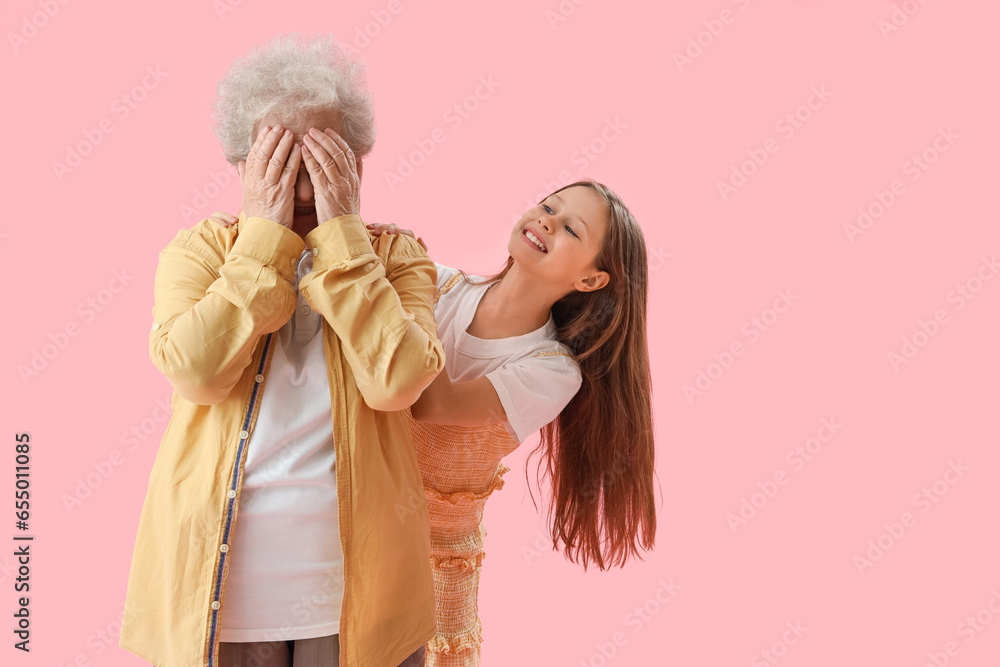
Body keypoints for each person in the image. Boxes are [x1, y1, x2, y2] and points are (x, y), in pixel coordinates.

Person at [213, 178, 657, 666]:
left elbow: (425, 399)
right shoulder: (437, 282)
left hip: (431, 564)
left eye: (571, 228)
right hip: (347, 528)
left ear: (592, 280)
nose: (547, 219)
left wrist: (390, 280)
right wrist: (377, 255)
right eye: (549, 205)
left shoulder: (551, 368)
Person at [119, 34, 443, 667]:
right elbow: (196, 370)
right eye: (278, 158)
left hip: (363, 599)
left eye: (323, 157)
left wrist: (344, 243)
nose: (301, 182)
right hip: (223, 597)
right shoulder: (201, 252)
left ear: (355, 165)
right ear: (242, 167)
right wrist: (264, 243)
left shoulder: (397, 257)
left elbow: (398, 381)